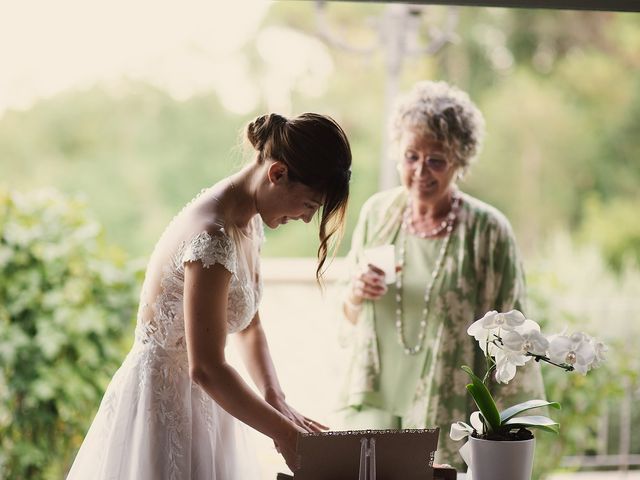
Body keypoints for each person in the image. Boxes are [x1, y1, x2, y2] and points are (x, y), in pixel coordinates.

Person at [66, 112, 352, 479]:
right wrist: (288, 436)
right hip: (164, 408)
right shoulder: (211, 236)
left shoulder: (248, 221)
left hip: (211, 406)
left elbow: (249, 324)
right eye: (309, 205)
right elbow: (206, 368)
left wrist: (276, 397)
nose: (306, 219)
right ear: (277, 174)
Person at [337, 80, 545, 468]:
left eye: (436, 160)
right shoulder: (377, 215)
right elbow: (347, 314)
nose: (420, 171)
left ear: (461, 162)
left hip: (445, 413)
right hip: (374, 402)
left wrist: (501, 435)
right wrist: (355, 293)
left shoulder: (489, 230)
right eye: (411, 156)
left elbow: (514, 338)